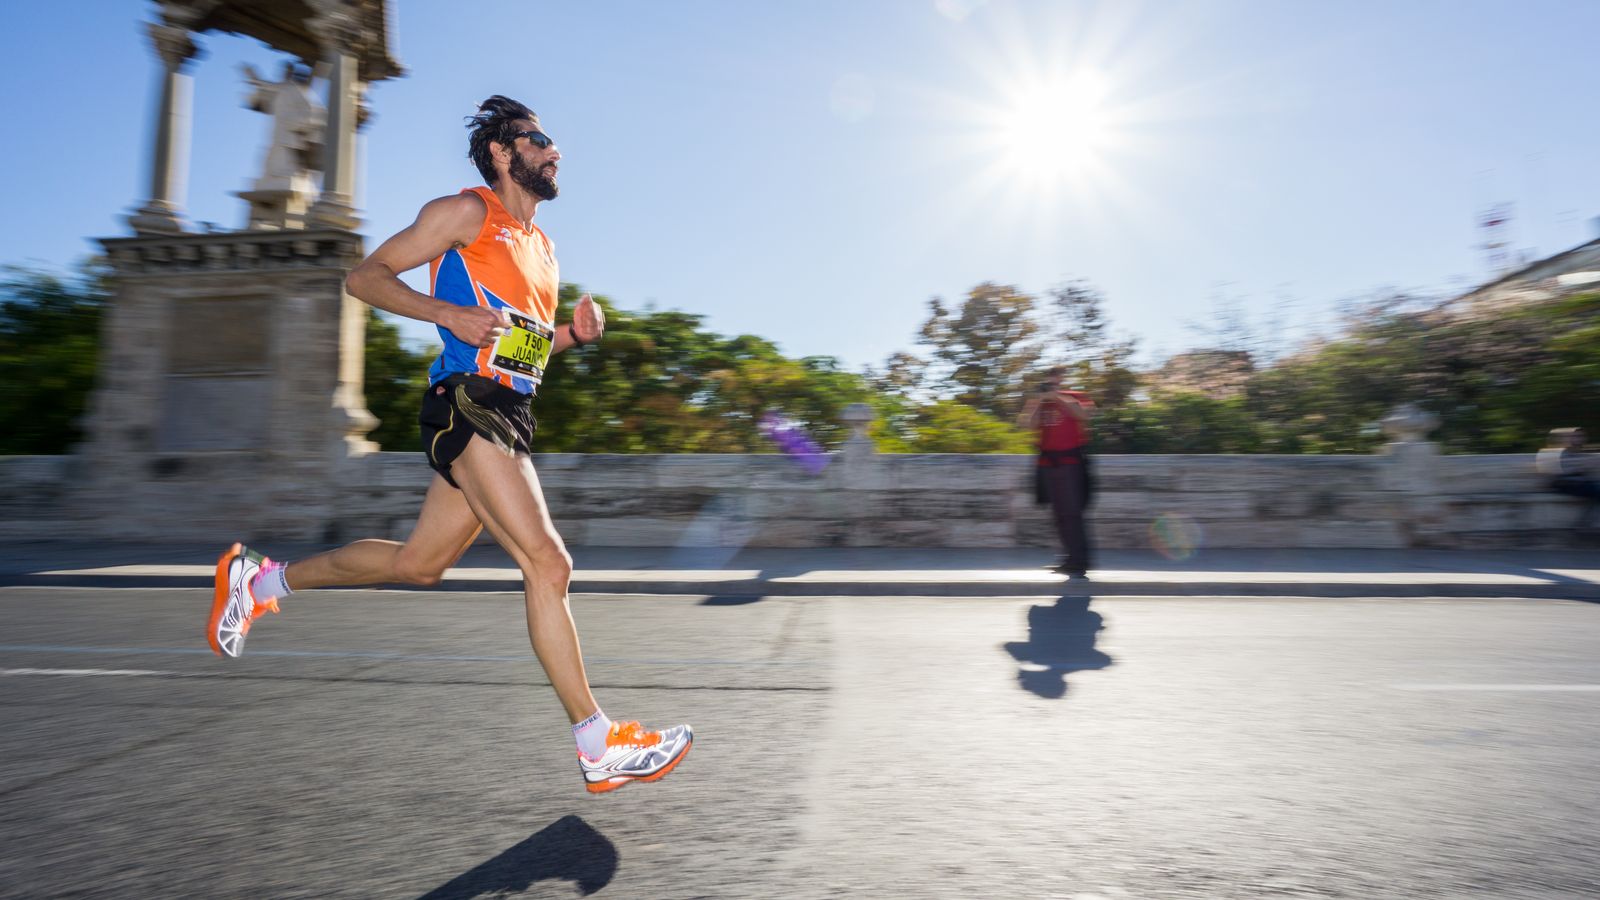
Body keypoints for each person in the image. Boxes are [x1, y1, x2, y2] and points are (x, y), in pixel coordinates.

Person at [206, 96, 691, 794]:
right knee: (548, 563)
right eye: (540, 139)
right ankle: (597, 741)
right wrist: (443, 312)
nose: (556, 152)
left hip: (510, 409)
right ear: (502, 152)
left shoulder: (543, 248)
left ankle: (258, 580)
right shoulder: (467, 213)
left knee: (419, 564)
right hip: (468, 405)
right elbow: (364, 276)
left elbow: (520, 348)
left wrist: (572, 339)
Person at [1019, 366, 1095, 578]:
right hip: (1048, 464)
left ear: (1063, 379)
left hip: (1071, 463)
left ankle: (1079, 561)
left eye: (1056, 377)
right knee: (1059, 514)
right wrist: (1040, 401)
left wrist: (1058, 397)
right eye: (1049, 378)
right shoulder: (1039, 402)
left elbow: (1084, 415)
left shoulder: (1075, 396)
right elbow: (1027, 425)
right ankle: (1069, 559)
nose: (1053, 381)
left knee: (1072, 513)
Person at [1537, 427, 1600, 529]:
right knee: (1597, 491)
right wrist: (1581, 466)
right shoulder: (1557, 451)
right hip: (1562, 484)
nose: (1581, 439)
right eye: (1577, 436)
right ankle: (1583, 524)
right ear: (1567, 437)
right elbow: (1557, 472)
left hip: (1575, 483)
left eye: (1582, 436)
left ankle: (1584, 523)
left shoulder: (1575, 451)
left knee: (1597, 492)